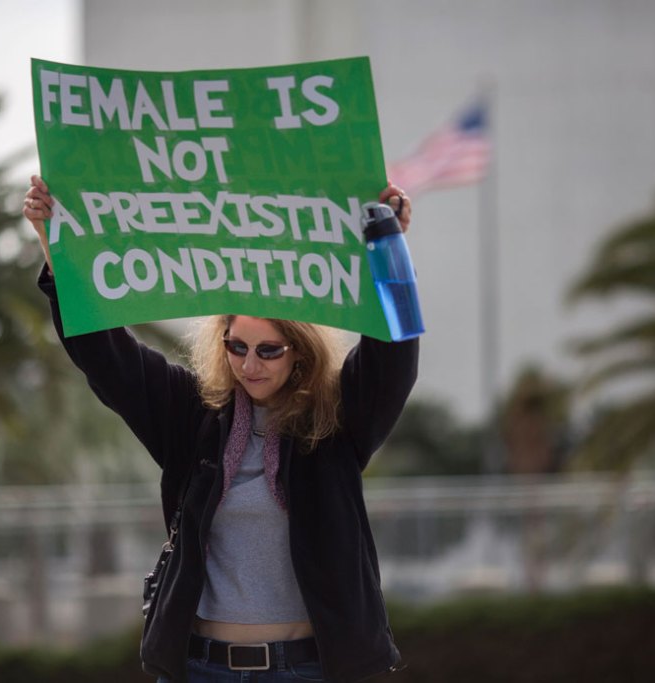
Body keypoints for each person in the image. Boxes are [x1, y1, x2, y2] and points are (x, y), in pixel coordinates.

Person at [24, 176, 418, 682]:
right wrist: (52, 238)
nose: (249, 364)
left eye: (268, 350)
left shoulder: (335, 422)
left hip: (307, 671)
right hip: (199, 668)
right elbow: (106, 355)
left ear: (299, 351)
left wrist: (389, 246)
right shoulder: (190, 415)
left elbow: (395, 357)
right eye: (236, 346)